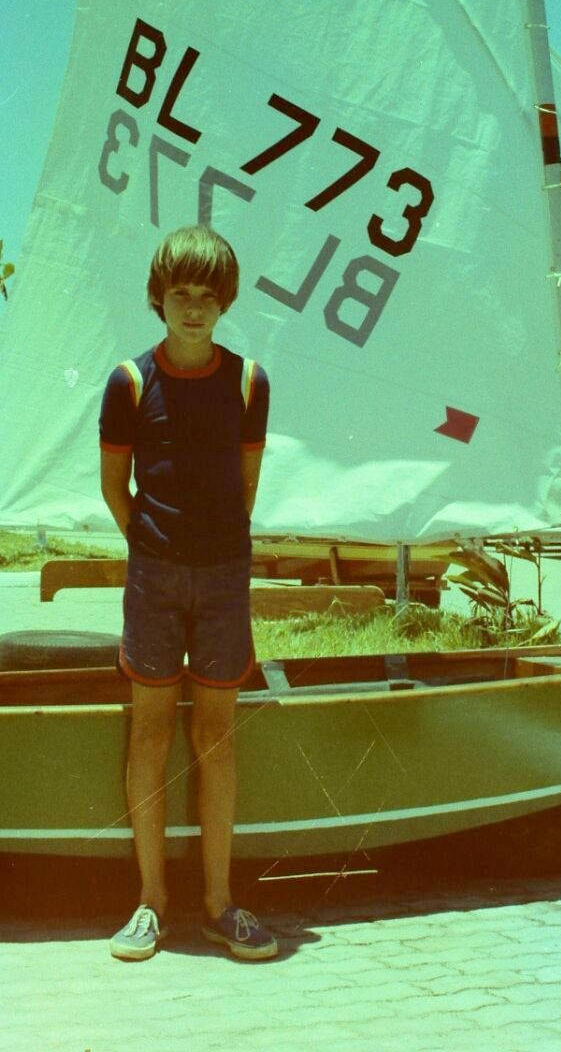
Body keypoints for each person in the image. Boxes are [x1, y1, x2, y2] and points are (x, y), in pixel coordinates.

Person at [99, 225, 277, 962]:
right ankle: (150, 903)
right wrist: (157, 548)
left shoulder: (249, 381)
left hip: (224, 577)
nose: (194, 308)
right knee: (149, 735)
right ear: (159, 298)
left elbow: (245, 486)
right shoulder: (130, 382)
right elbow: (116, 489)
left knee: (214, 737)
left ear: (224, 301)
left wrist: (210, 552)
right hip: (155, 578)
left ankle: (219, 905)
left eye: (207, 295)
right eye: (180, 294)